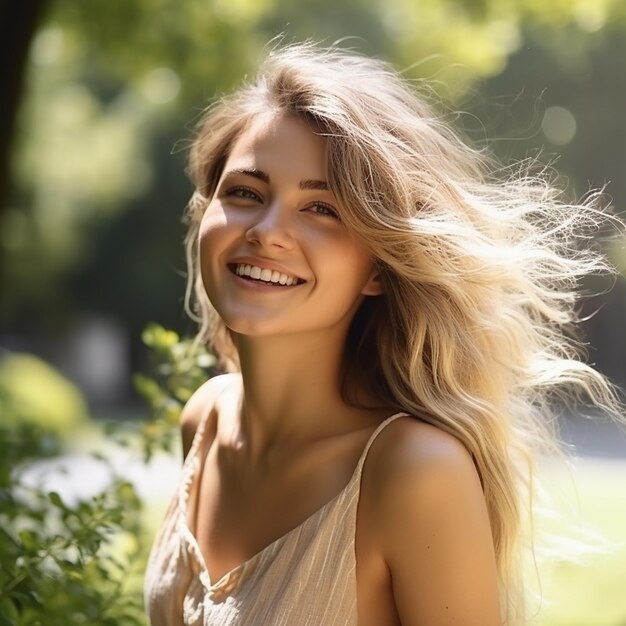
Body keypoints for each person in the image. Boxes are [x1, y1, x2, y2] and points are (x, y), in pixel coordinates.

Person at [144, 43, 621, 625]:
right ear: (205, 212)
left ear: (377, 267)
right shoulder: (206, 419)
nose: (268, 232)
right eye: (246, 192)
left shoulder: (415, 472)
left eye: (322, 208)